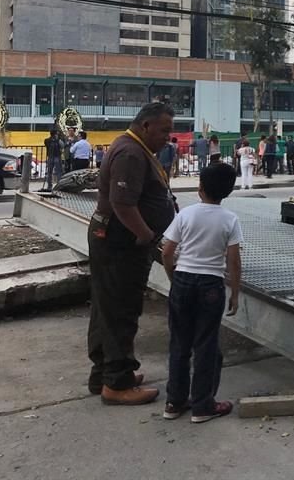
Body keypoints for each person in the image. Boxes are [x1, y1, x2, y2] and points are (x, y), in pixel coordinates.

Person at [87, 102, 177, 405]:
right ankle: (118, 382)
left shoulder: (135, 148)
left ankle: (104, 373)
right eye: (164, 130)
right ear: (146, 126)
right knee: (120, 310)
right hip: (120, 242)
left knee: (106, 305)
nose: (168, 137)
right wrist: (145, 235)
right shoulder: (130, 153)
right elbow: (123, 204)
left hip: (117, 240)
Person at [160, 162, 242, 423]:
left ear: (200, 189)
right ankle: (202, 405)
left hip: (183, 280)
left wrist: (174, 277)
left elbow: (168, 252)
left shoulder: (186, 214)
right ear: (227, 192)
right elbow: (233, 261)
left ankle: (174, 402)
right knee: (206, 345)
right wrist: (235, 293)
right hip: (211, 285)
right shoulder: (230, 219)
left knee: (179, 344)